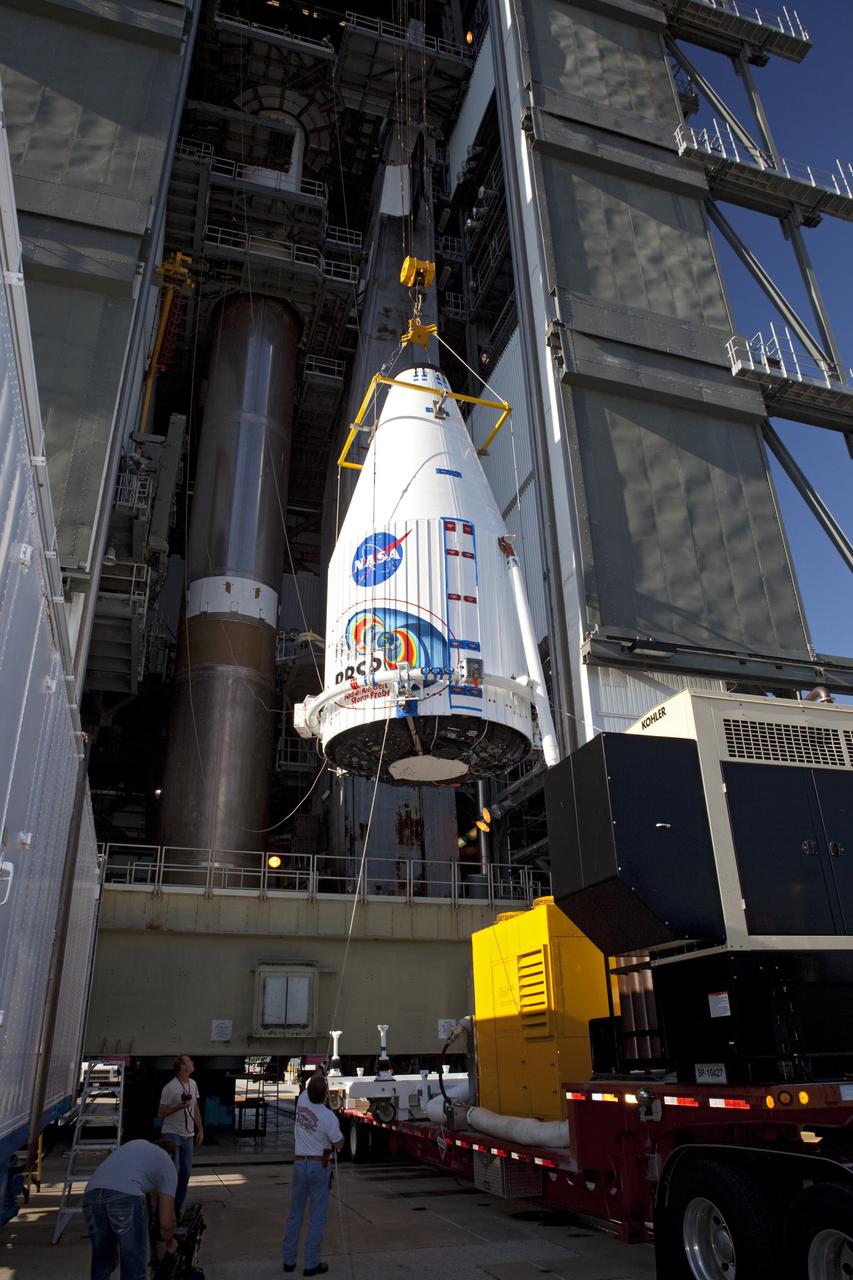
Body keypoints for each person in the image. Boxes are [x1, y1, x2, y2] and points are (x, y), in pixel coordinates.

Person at [82, 1138, 177, 1280]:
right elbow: (166, 1224)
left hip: (91, 1196)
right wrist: (170, 1243)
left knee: (102, 1263)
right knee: (134, 1269)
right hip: (125, 1196)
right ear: (171, 1155)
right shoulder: (167, 1163)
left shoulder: (137, 1147)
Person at [282, 1073, 343, 1276]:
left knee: (295, 1214)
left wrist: (320, 1074)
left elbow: (312, 1086)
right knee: (317, 1216)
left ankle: (288, 1260)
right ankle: (311, 1263)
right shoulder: (329, 1118)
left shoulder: (302, 1101)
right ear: (326, 1095)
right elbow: (339, 1144)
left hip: (300, 1163)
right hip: (319, 1166)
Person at [158, 1054, 203, 1216]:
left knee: (185, 1173)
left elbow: (195, 1108)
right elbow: (161, 1113)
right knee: (174, 1172)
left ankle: (176, 1209)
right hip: (172, 1134)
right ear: (183, 1066)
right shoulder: (170, 1088)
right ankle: (165, 1210)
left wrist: (200, 1129)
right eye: (189, 1061)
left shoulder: (193, 1084)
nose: (192, 1062)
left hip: (188, 1135)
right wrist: (177, 1107)